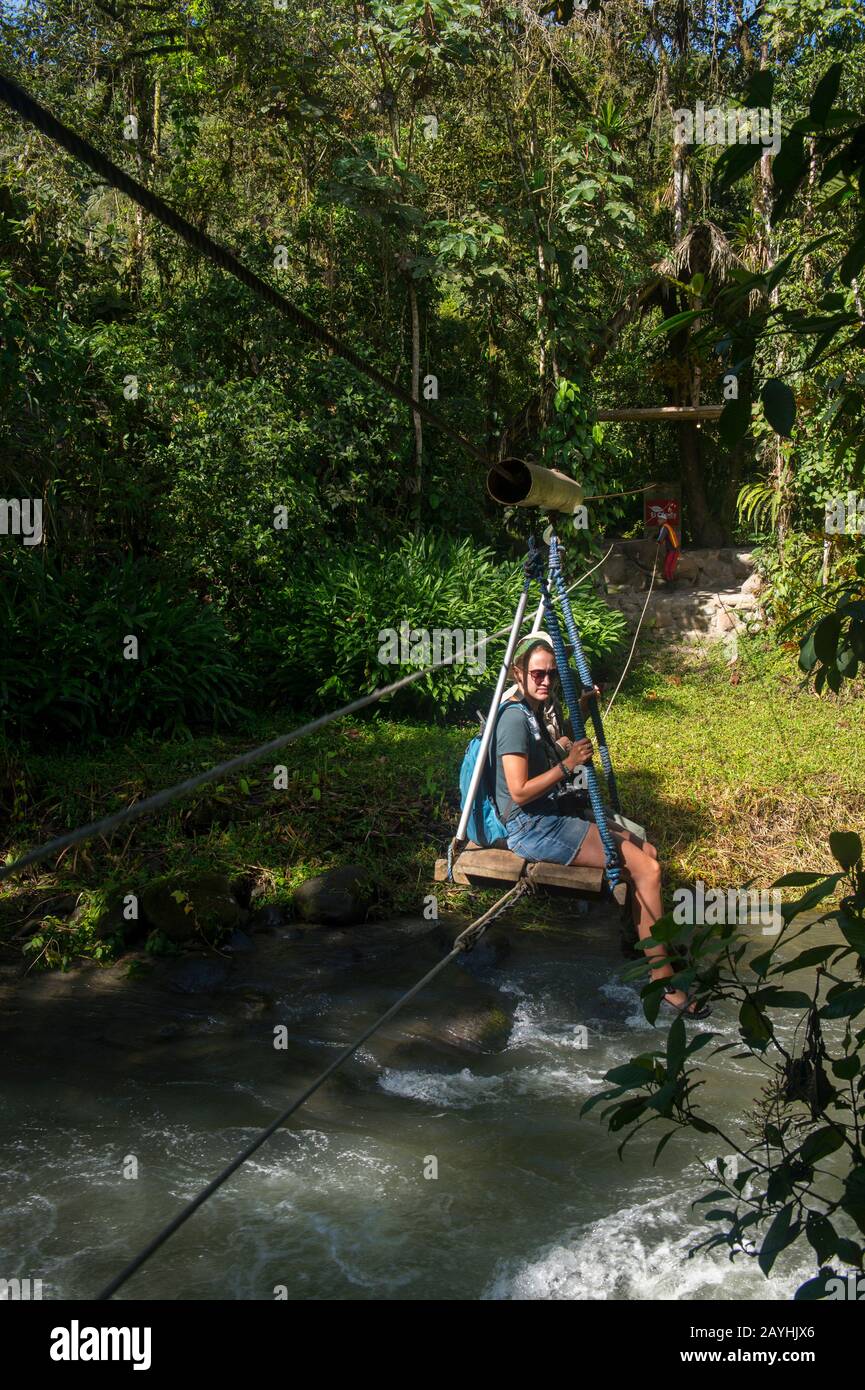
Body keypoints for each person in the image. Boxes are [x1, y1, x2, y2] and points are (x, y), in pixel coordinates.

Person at [494, 634, 708, 1019]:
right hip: (533, 826)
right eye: (538, 674)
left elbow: (554, 748)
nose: (546, 681)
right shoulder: (512, 719)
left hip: (551, 814)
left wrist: (581, 714)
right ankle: (665, 982)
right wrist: (567, 764)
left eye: (552, 675)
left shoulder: (531, 710)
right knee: (648, 869)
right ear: (518, 673)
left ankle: (643, 945)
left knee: (650, 855)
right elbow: (519, 792)